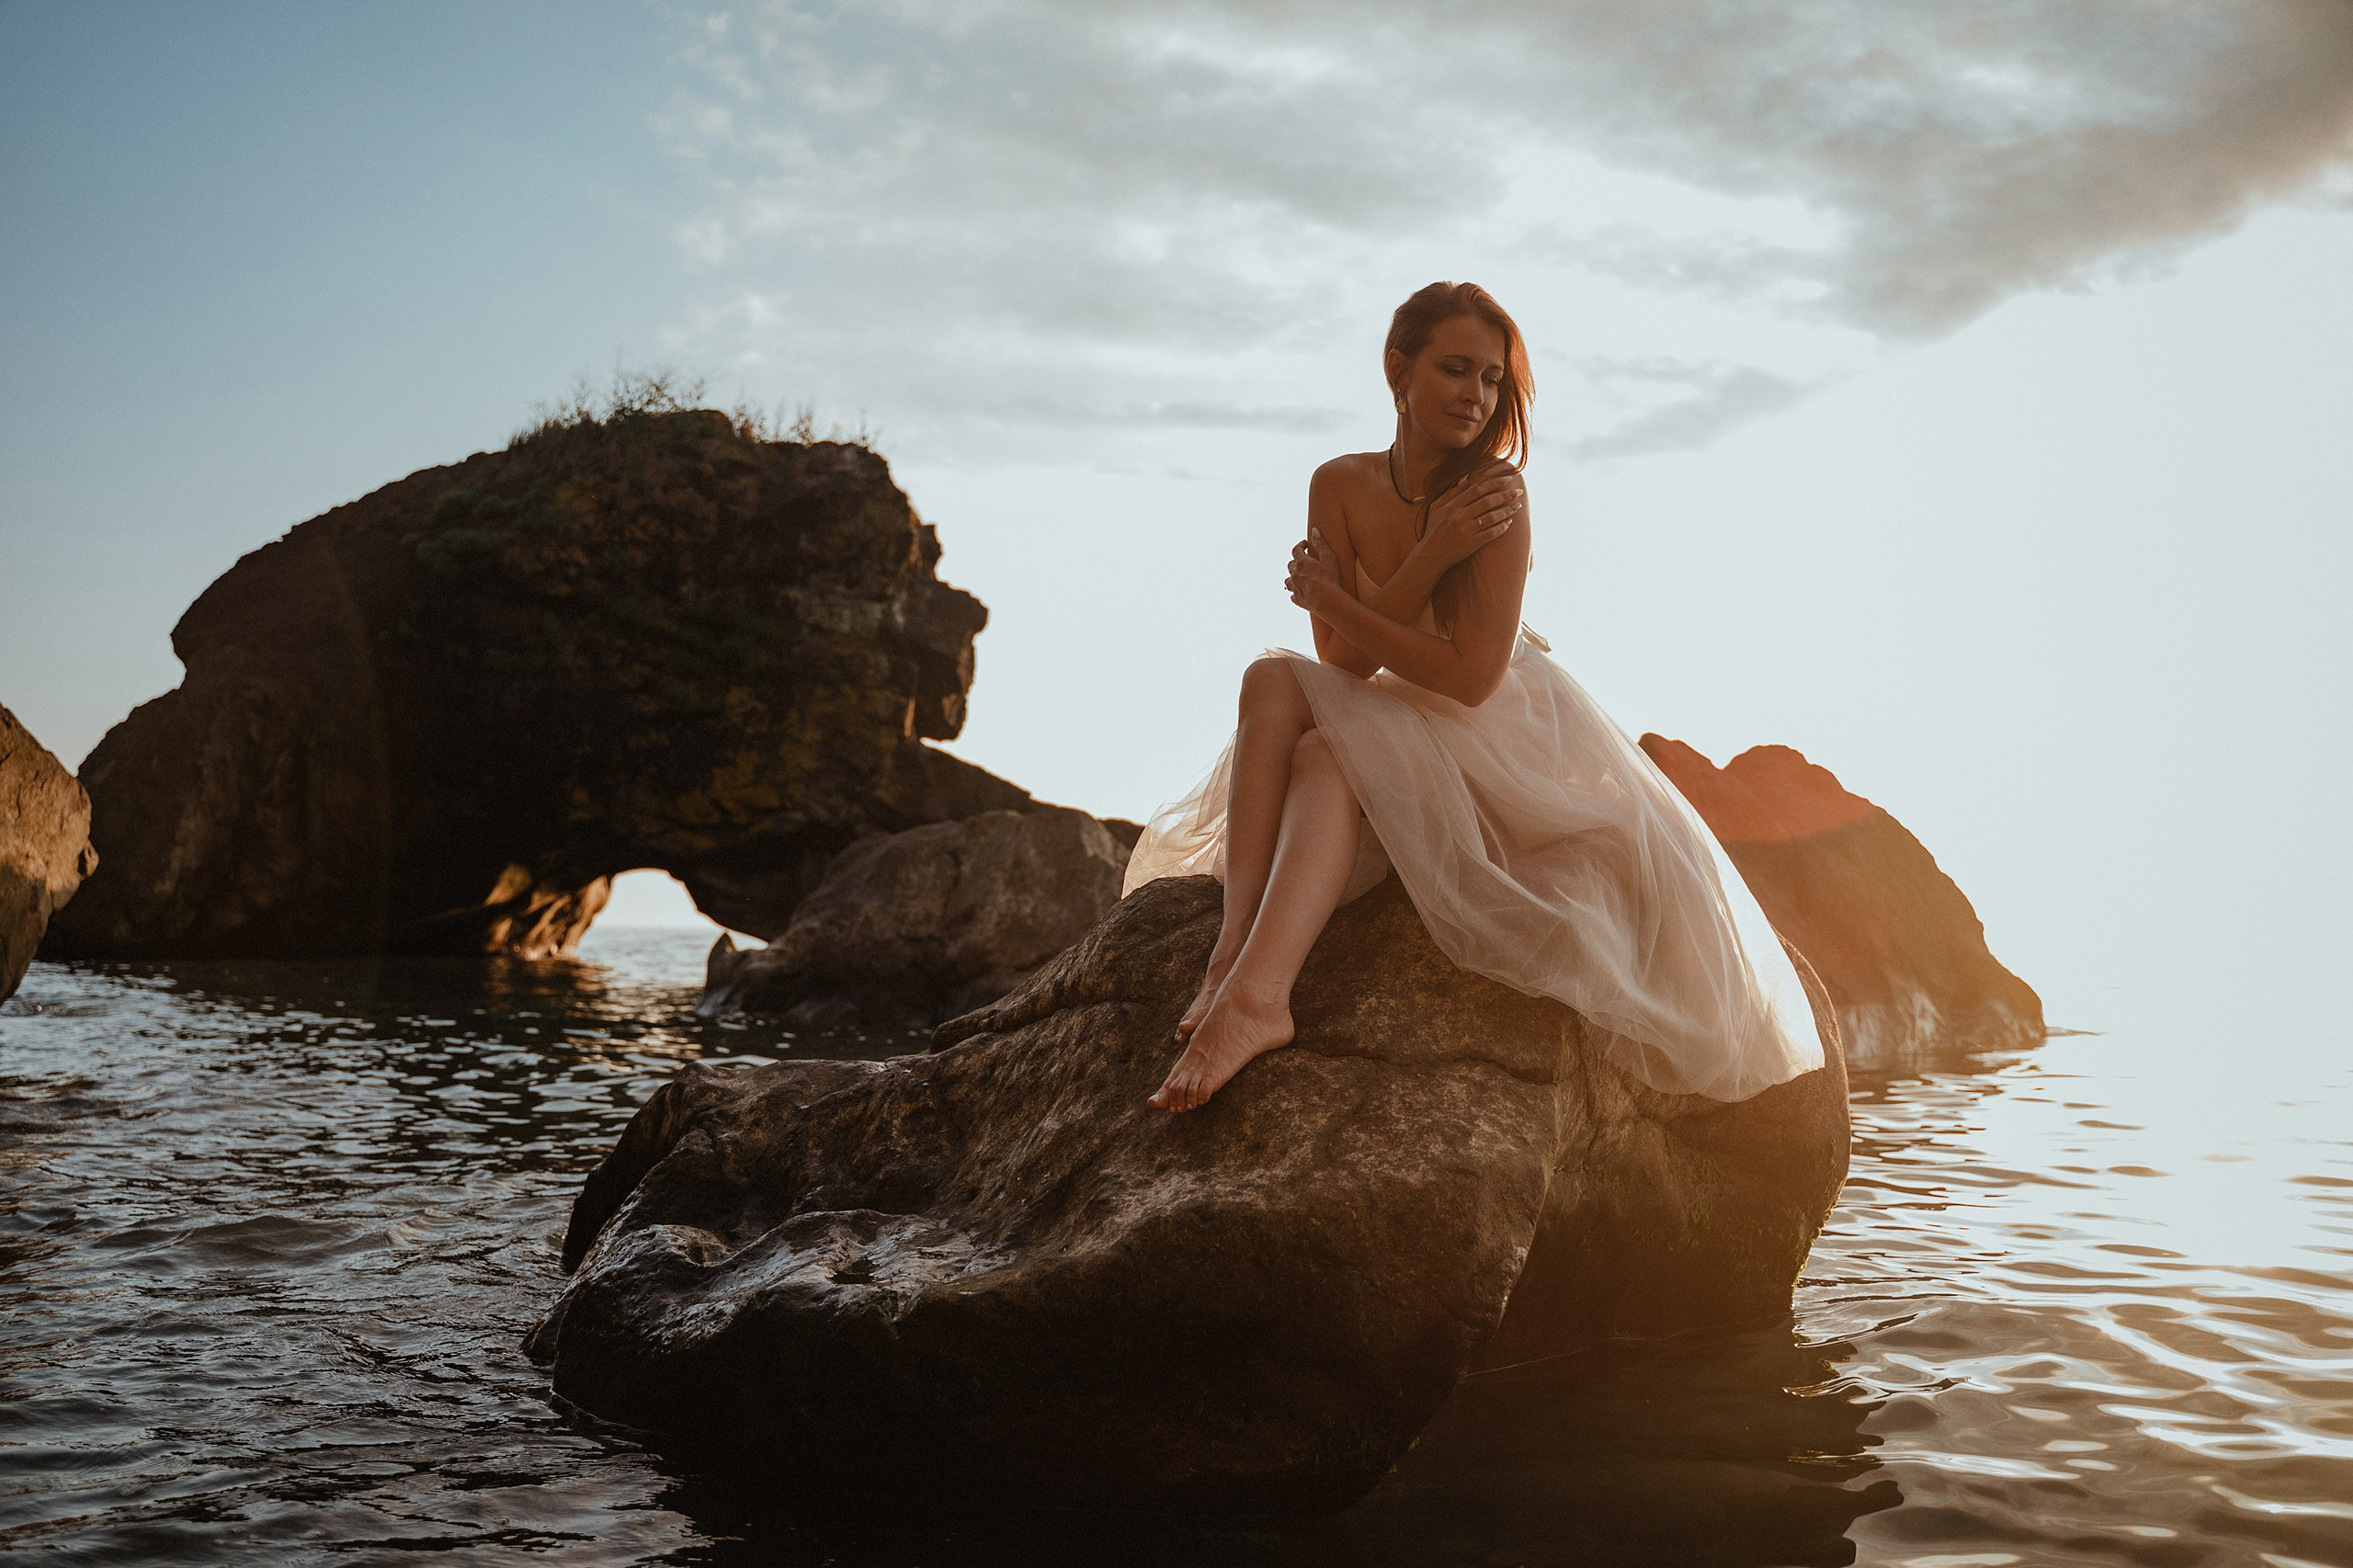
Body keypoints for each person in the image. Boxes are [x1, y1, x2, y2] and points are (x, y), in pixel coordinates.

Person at [1128, 280, 1824, 1113]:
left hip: (1496, 727)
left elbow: (1469, 677)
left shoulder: (1494, 496)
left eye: (1493, 379)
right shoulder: (1338, 484)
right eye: (1456, 369)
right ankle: (1232, 955)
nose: (1477, 396)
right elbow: (1341, 661)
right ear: (1398, 370)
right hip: (1395, 697)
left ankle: (1259, 1001)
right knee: (1269, 678)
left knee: (1326, 754)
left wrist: (1389, 570)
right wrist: (1412, 566)